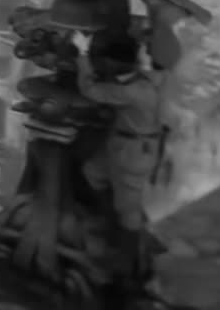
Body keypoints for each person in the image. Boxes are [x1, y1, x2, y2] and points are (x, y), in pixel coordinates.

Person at [70, 28, 169, 290]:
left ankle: (125, 268)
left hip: (133, 154)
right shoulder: (146, 78)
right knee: (93, 171)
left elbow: (90, 89)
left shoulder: (131, 91)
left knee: (129, 212)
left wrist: (81, 53)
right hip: (124, 147)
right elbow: (149, 70)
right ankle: (113, 220)